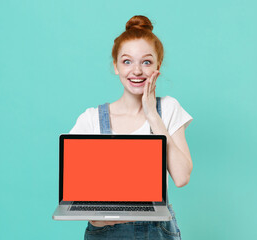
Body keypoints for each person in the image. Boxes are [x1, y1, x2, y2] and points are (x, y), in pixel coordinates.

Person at [69, 15, 193, 240]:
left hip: (157, 231)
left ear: (158, 66)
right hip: (105, 232)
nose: (136, 71)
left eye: (146, 62)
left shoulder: (168, 108)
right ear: (116, 66)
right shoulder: (91, 120)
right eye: (127, 61)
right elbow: (77, 190)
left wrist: (153, 117)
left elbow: (182, 177)